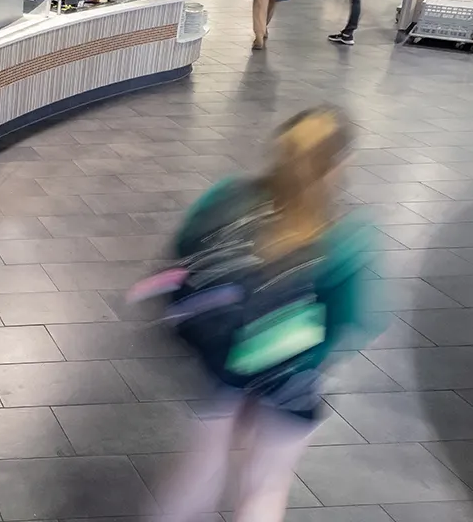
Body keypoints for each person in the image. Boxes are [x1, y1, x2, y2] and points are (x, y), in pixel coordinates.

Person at [147, 105, 372, 522]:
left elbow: (183, 253)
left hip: (219, 359)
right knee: (265, 486)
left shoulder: (228, 196)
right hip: (289, 374)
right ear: (339, 167)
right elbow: (347, 321)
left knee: (200, 464)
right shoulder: (342, 240)